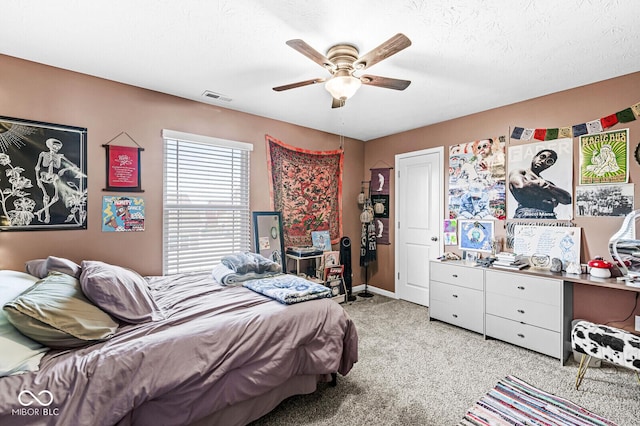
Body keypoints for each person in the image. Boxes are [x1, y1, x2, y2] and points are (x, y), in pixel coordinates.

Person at [508, 149, 572, 219]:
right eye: (542, 157)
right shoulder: (520, 172)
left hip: (548, 217)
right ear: (535, 157)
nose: (543, 161)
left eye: (549, 161)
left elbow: (567, 199)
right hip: (527, 216)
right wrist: (543, 187)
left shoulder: (548, 183)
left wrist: (545, 185)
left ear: (549, 166)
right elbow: (521, 186)